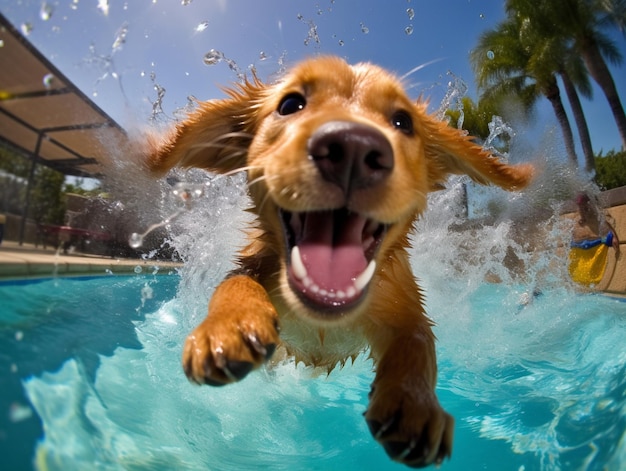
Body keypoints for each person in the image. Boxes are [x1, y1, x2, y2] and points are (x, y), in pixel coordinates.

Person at [569, 192, 620, 286]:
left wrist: (614, 238)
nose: (583, 210)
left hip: (595, 244)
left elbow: (607, 224)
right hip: (582, 247)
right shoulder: (576, 220)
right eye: (580, 208)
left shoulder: (595, 216)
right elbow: (571, 234)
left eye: (584, 207)